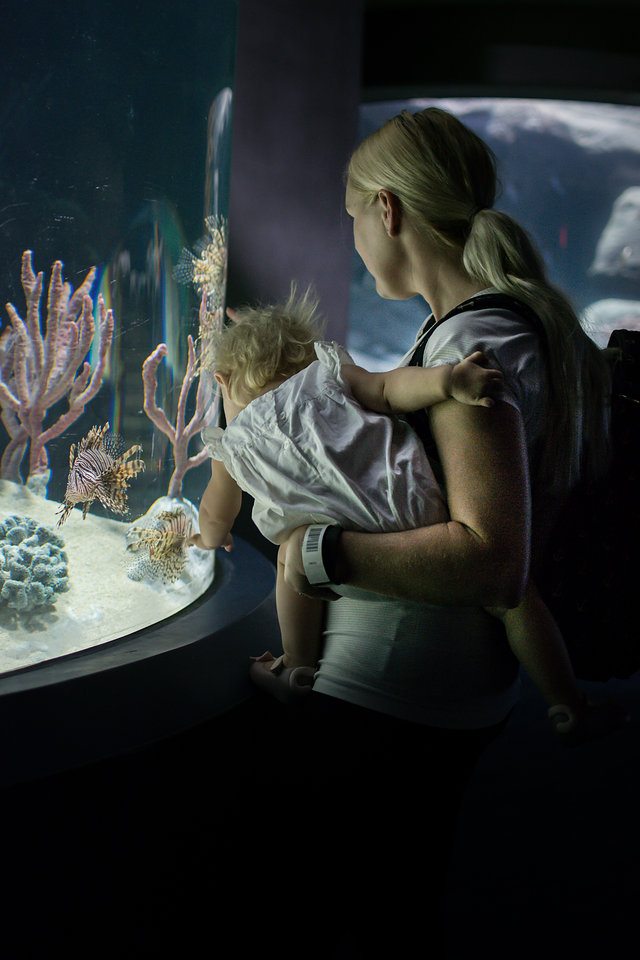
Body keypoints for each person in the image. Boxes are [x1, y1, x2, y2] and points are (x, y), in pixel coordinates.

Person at [234, 107, 625, 957]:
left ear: (388, 210)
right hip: (446, 696)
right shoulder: (494, 330)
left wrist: (317, 551)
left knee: (353, 919)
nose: (354, 243)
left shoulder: (477, 342)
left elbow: (493, 561)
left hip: (396, 701)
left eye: (351, 221)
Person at [189, 290, 623, 749]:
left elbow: (219, 509)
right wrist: (448, 381)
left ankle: (296, 663)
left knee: (291, 563)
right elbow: (392, 388)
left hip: (330, 535)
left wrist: (208, 537)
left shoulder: (232, 444)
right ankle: (566, 700)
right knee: (515, 601)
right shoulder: (328, 375)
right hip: (409, 503)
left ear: (221, 381)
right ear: (304, 354)